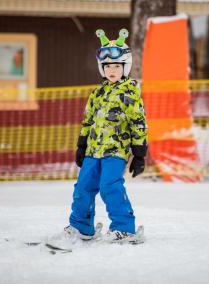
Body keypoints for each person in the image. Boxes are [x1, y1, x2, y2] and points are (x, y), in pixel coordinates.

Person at [52, 28, 148, 245]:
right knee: (83, 186)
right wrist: (81, 144)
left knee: (109, 186)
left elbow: (138, 122)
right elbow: (88, 120)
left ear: (125, 67)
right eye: (107, 66)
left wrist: (139, 153)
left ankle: (124, 228)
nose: (111, 70)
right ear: (101, 68)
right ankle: (81, 226)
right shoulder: (97, 93)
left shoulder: (130, 92)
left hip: (116, 151)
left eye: (116, 65)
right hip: (93, 150)